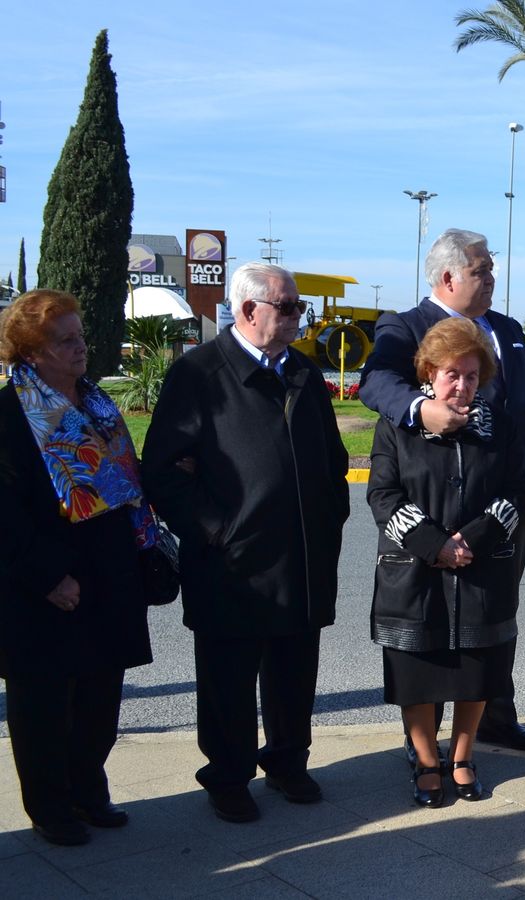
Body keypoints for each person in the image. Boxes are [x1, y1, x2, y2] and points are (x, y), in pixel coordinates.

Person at [142, 263, 350, 823]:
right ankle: (228, 777)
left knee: (293, 672)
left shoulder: (304, 373)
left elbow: (333, 459)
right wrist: (217, 531)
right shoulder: (199, 374)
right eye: (288, 307)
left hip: (301, 557)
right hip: (229, 564)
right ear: (249, 309)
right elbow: (162, 471)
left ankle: (288, 762)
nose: (298, 316)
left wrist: (330, 517)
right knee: (228, 681)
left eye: (299, 306)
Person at [359, 228, 525, 756]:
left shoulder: (507, 329)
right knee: (430, 622)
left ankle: (495, 718)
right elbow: (375, 383)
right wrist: (421, 408)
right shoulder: (405, 326)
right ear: (448, 277)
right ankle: (425, 742)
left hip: (503, 501)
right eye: (481, 270)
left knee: (494, 612)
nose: (492, 278)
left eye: (491, 269)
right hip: (432, 503)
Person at [0, 291, 158, 846]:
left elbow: (119, 479)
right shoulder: (9, 414)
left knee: (99, 696)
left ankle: (89, 791)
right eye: (65, 340)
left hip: (108, 574)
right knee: (44, 704)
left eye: (81, 336)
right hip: (44, 586)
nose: (81, 347)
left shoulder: (96, 402)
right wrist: (47, 576)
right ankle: (50, 806)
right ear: (31, 351)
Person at [368, 319, 525, 807]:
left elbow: (516, 491)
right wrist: (432, 543)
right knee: (416, 671)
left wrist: (472, 539)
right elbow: (383, 494)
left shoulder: (500, 427)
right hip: (413, 573)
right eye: (452, 374)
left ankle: (462, 757)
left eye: (472, 376)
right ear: (429, 373)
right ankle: (424, 760)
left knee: (476, 671)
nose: (461, 385)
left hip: (481, 570)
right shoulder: (397, 425)